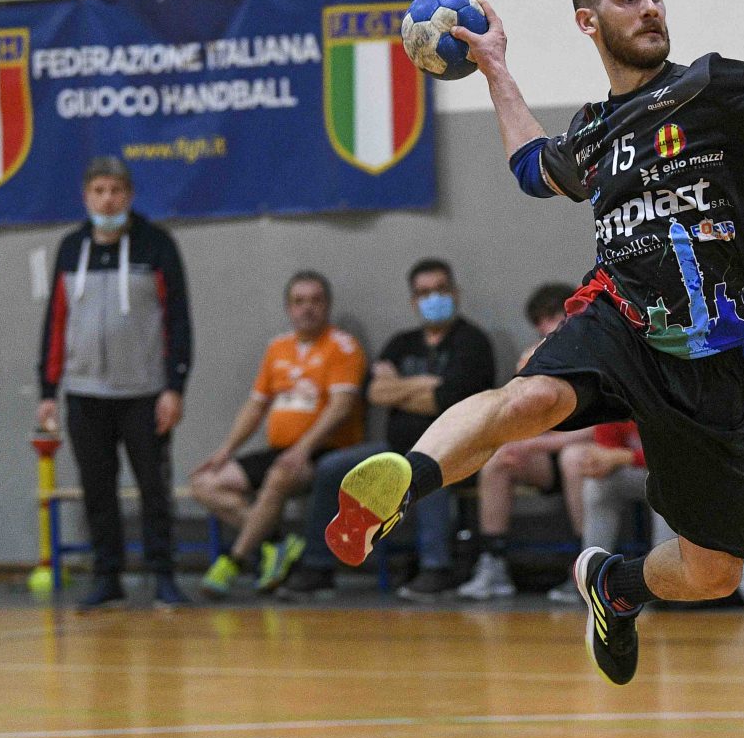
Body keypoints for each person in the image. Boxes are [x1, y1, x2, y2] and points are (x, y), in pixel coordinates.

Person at [326, 0, 744, 685]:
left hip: (708, 354)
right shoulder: (596, 129)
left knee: (713, 572)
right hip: (619, 313)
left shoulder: (712, 86)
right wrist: (496, 67)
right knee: (529, 399)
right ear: (589, 21)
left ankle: (615, 584)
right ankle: (404, 483)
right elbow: (533, 168)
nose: (651, 7)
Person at [277, 259, 496, 602]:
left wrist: (401, 387)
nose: (433, 298)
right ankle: (318, 565)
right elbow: (375, 393)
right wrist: (426, 384)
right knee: (332, 468)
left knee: (429, 471)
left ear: (455, 294)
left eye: (440, 290)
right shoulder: (402, 343)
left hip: (454, 449)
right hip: (395, 447)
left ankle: (435, 567)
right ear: (413, 300)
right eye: (424, 292)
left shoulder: (473, 342)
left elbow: (448, 400)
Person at [36, 156, 193, 609]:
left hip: (145, 394)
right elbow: (56, 322)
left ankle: (163, 575)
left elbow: (178, 320)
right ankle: (108, 577)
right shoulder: (71, 248)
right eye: (99, 191)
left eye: (116, 190)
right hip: (85, 394)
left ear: (130, 195)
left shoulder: (157, 245)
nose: (108, 199)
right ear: (86, 196)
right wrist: (48, 391)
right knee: (97, 491)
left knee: (153, 489)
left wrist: (174, 386)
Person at [190, 271, 365, 597]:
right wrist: (226, 450)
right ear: (289, 308)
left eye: (315, 300)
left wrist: (303, 449)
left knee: (279, 475)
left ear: (327, 305)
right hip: (282, 449)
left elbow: (340, 408)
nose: (307, 308)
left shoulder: (343, 347)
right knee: (204, 482)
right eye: (299, 301)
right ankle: (276, 543)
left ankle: (234, 561)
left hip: (325, 451)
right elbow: (255, 406)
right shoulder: (278, 348)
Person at [454, 283, 594, 602]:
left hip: (586, 450)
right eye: (539, 321)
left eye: (554, 316)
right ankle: (493, 563)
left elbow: (599, 431)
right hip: (547, 453)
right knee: (499, 459)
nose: (547, 326)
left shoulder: (594, 354)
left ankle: (586, 565)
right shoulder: (535, 357)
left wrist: (535, 445)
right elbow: (517, 420)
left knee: (574, 458)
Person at [546, 419, 673, 605]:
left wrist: (622, 456)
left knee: (667, 484)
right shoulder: (619, 404)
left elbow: (678, 455)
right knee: (598, 485)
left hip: (676, 475)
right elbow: (607, 448)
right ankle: (591, 577)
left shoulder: (673, 404)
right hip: (640, 471)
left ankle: (665, 580)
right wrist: (600, 462)